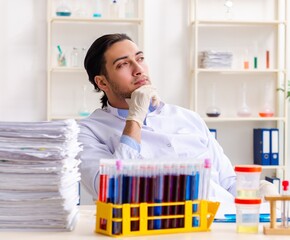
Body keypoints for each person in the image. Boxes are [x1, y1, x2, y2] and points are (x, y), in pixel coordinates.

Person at [78, 33, 278, 203]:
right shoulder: (89, 131)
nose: (138, 69)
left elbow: (227, 182)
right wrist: (135, 118)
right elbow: (110, 192)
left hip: (220, 223)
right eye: (123, 64)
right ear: (102, 82)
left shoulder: (188, 118)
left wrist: (260, 195)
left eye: (139, 59)